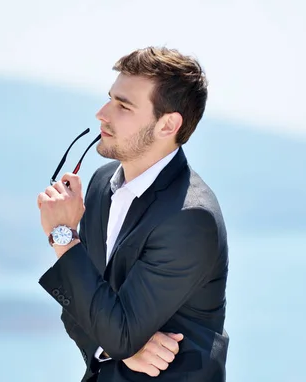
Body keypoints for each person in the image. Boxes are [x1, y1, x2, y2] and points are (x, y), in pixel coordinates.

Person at [36, 46, 229, 382]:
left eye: (123, 106)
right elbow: (78, 309)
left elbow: (114, 328)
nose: (102, 114)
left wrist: (63, 235)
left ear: (167, 125)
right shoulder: (99, 185)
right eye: (110, 99)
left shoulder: (190, 218)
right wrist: (117, 347)